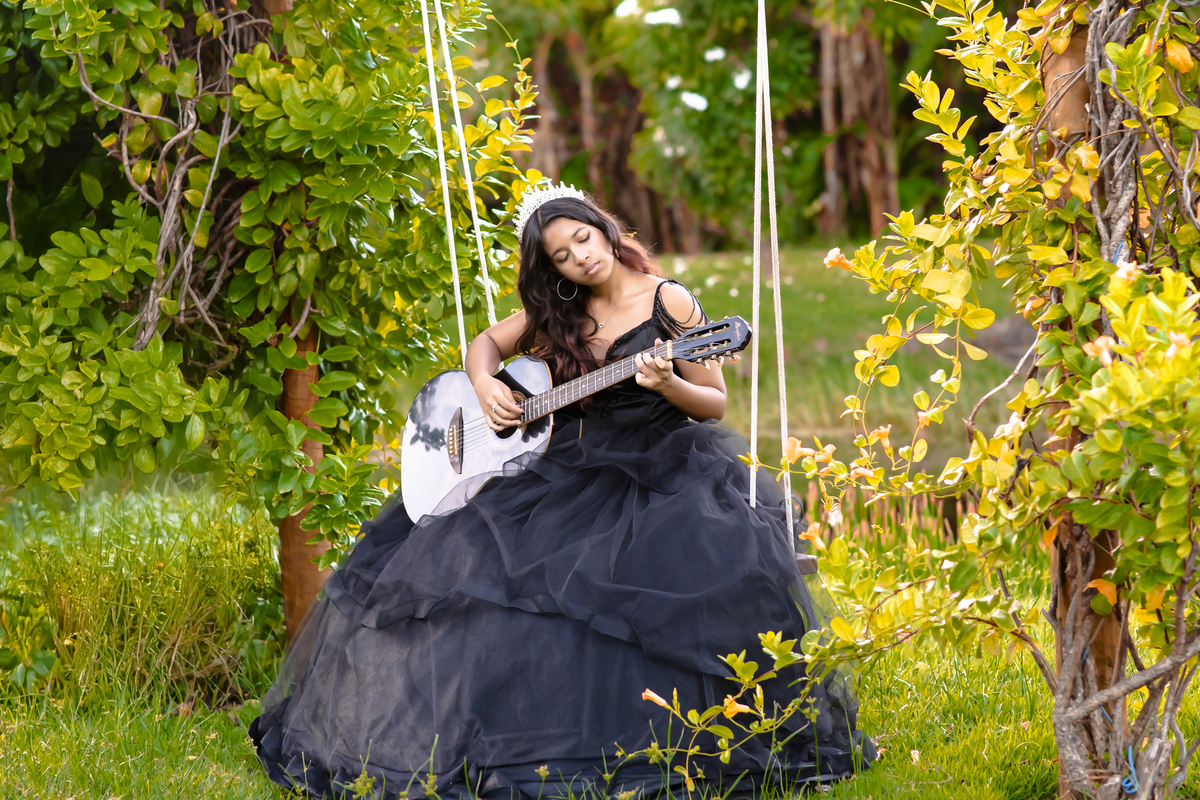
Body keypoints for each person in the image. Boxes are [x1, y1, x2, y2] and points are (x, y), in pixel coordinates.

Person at [250, 185, 874, 799]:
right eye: (562, 255)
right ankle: (505, 740)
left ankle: (672, 741)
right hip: (564, 461)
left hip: (659, 464)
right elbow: (486, 344)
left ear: (603, 229)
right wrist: (485, 384)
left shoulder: (668, 301)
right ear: (553, 269)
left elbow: (711, 403)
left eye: (583, 238)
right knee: (472, 557)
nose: (580, 256)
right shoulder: (563, 310)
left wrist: (665, 385)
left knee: (663, 571)